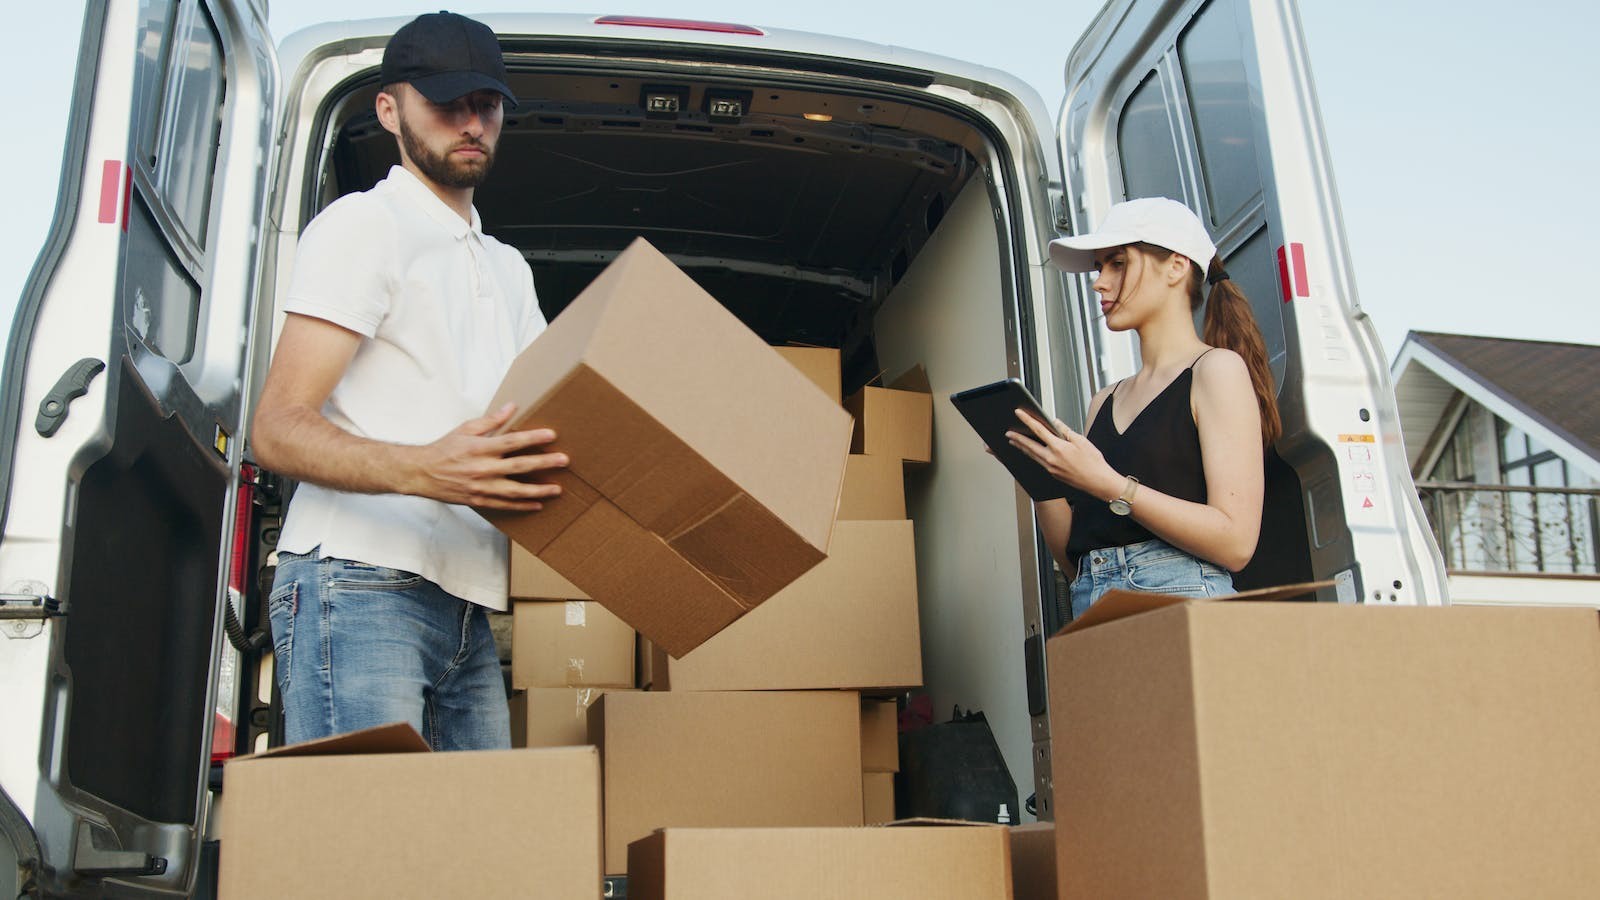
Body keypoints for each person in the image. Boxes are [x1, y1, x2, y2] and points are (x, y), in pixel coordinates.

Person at [251, 12, 564, 749]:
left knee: (468, 854)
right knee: (364, 849)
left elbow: (551, 419)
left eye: (485, 106)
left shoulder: (507, 268)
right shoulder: (367, 226)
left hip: (467, 603)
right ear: (389, 110)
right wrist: (428, 468)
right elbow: (276, 427)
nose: (470, 123)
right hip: (357, 583)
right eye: (446, 103)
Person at [1006, 197, 1281, 619]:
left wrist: (1110, 484)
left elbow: (1236, 541)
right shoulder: (1104, 399)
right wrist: (1035, 474)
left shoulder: (1216, 370)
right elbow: (1075, 560)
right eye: (1100, 269)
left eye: (1117, 264)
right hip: (1093, 603)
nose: (1099, 283)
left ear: (1176, 267)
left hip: (1183, 600)